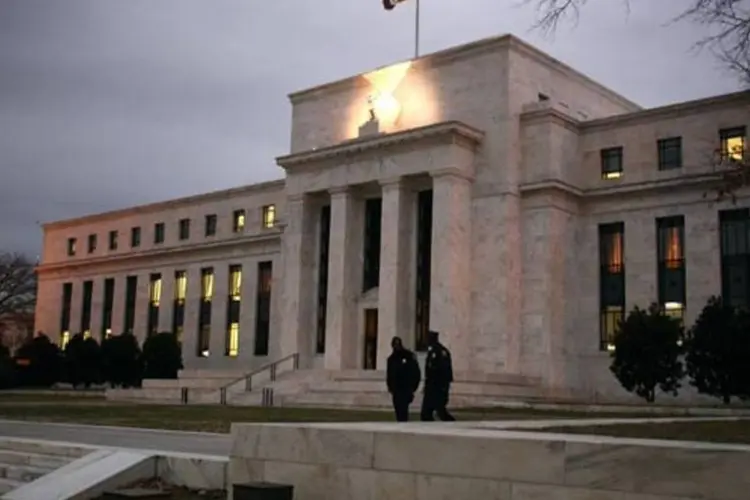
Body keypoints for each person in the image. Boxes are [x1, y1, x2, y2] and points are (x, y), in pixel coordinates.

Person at [420, 330, 456, 422]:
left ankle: (451, 423)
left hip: (438, 386)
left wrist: (444, 386)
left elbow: (444, 370)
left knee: (439, 410)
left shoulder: (439, 351)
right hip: (432, 385)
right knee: (428, 412)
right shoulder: (433, 351)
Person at [386, 336, 421, 422]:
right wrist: (390, 387)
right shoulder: (391, 359)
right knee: (398, 411)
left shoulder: (409, 356)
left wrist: (413, 387)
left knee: (404, 411)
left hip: (406, 389)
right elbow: (389, 374)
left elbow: (415, 372)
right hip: (396, 390)